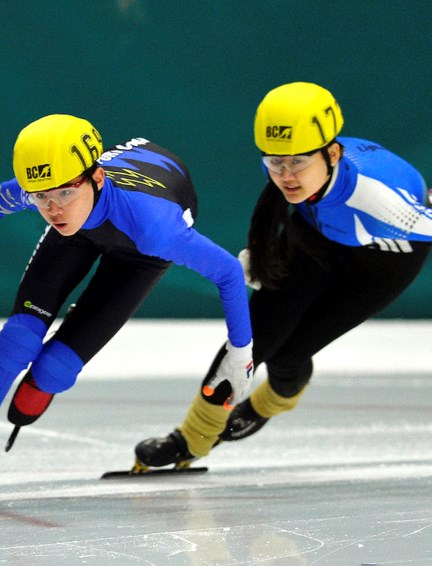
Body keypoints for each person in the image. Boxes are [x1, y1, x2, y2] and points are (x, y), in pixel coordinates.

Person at [0, 114, 254, 490]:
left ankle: (46, 376)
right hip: (80, 233)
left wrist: (240, 353)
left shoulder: (155, 228)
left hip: (139, 253)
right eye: (41, 197)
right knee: (17, 340)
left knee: (54, 370)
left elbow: (228, 272)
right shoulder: (54, 193)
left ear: (97, 178)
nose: (53, 209)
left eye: (64, 192)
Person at [134, 82, 432, 469]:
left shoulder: (379, 199)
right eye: (275, 162)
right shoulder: (299, 171)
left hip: (381, 265)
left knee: (291, 353)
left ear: (333, 153)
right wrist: (263, 252)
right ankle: (192, 438)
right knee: (250, 341)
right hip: (315, 239)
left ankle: (269, 403)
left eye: (297, 162)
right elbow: (275, 202)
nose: (286, 175)